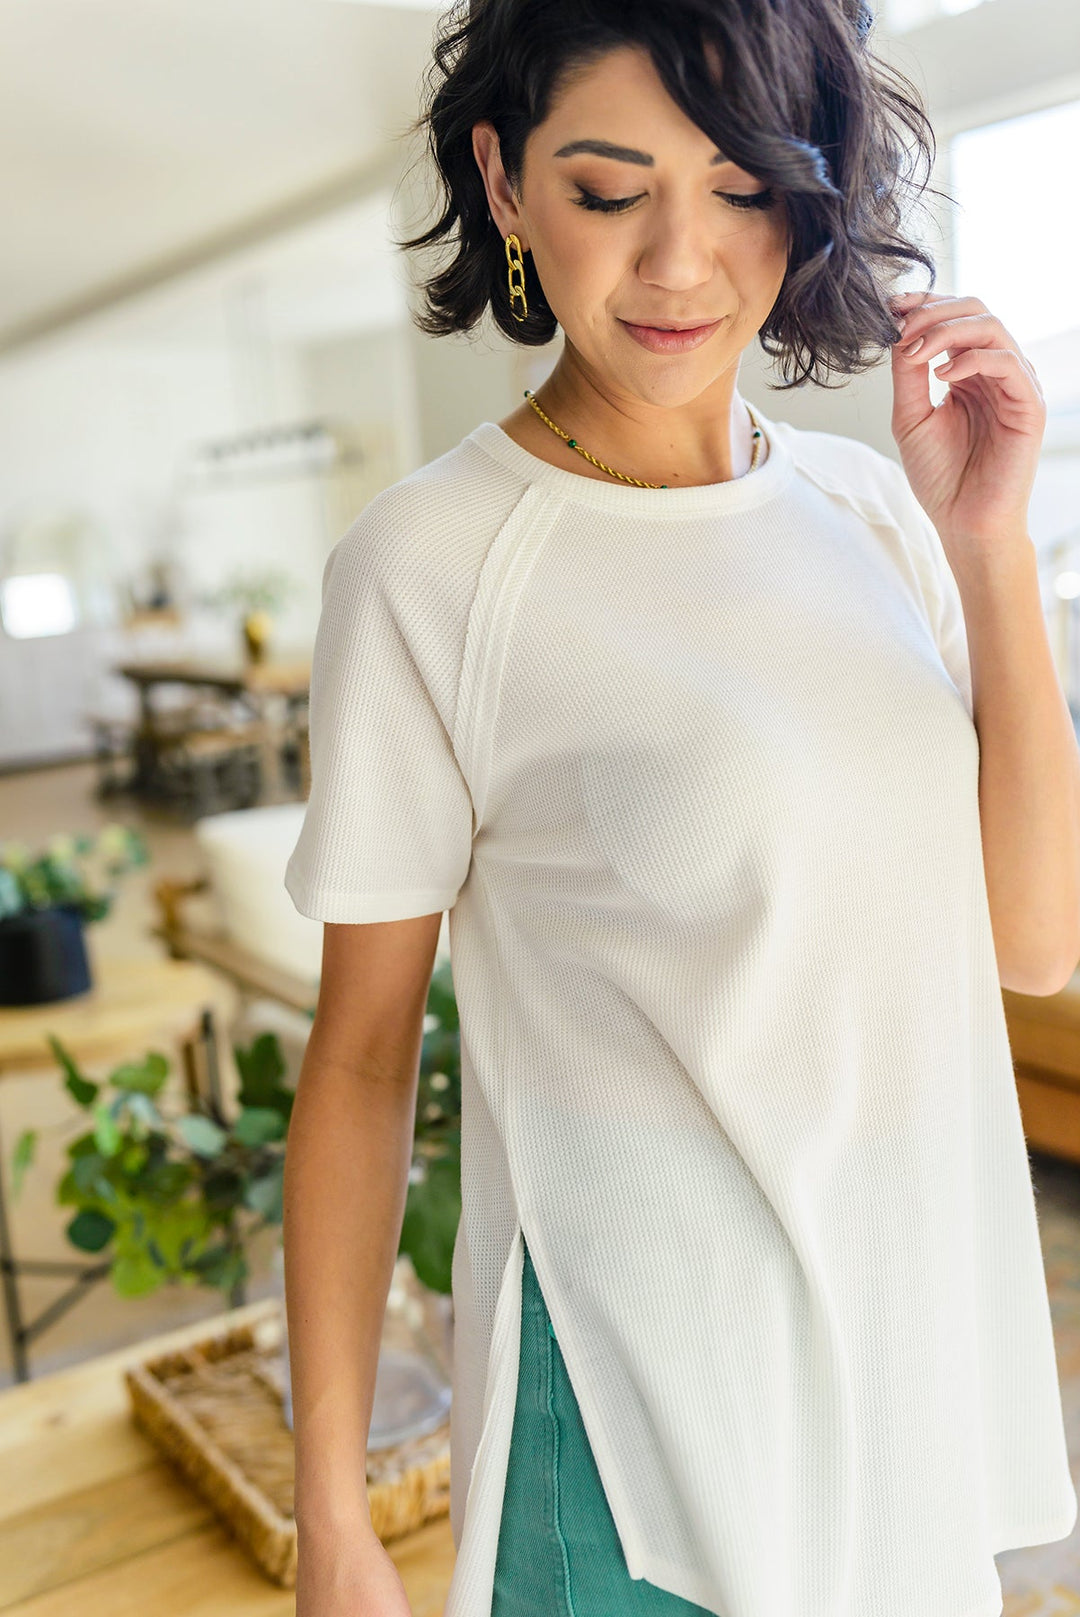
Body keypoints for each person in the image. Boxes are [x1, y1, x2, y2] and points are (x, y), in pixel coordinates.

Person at [282, 1, 1080, 1614]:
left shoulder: (874, 506)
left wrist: (993, 546)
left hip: (899, 1379)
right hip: (639, 1432)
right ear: (505, 186)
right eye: (608, 189)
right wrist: (335, 1515)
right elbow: (363, 1057)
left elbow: (1037, 944)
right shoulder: (430, 566)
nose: (679, 263)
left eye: (736, 188)